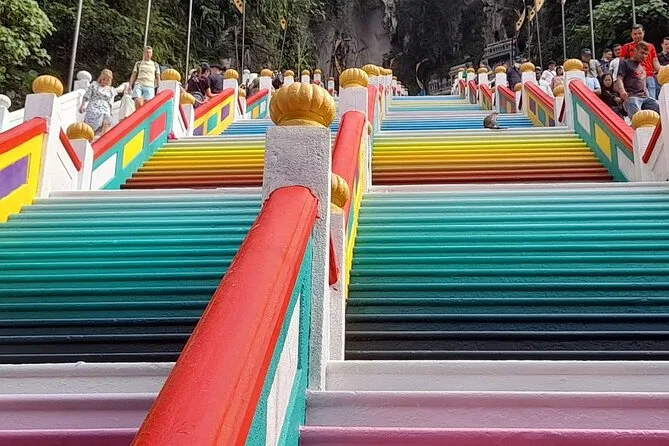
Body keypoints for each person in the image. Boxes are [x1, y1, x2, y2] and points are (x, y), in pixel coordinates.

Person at [616, 41, 661, 117]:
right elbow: (619, 78)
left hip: (645, 97)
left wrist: (647, 95)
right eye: (642, 53)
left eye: (646, 54)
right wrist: (622, 91)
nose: (644, 56)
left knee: (659, 106)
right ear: (635, 51)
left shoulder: (642, 67)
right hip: (632, 96)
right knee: (636, 114)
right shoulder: (625, 63)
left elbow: (643, 83)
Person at [620, 24, 662, 98]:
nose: (637, 36)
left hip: (649, 76)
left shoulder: (650, 46)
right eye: (635, 34)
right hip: (634, 78)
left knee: (651, 99)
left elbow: (655, 61)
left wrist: (663, 72)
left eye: (639, 33)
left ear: (643, 33)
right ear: (631, 35)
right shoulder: (626, 47)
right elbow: (621, 64)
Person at [79, 69, 116, 136]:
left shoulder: (111, 90)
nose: (105, 81)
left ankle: (103, 140)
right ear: (100, 78)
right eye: (104, 79)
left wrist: (111, 113)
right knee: (90, 127)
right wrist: (82, 105)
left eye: (108, 80)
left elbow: (111, 103)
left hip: (105, 109)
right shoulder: (94, 85)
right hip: (93, 108)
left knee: (107, 123)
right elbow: (86, 95)